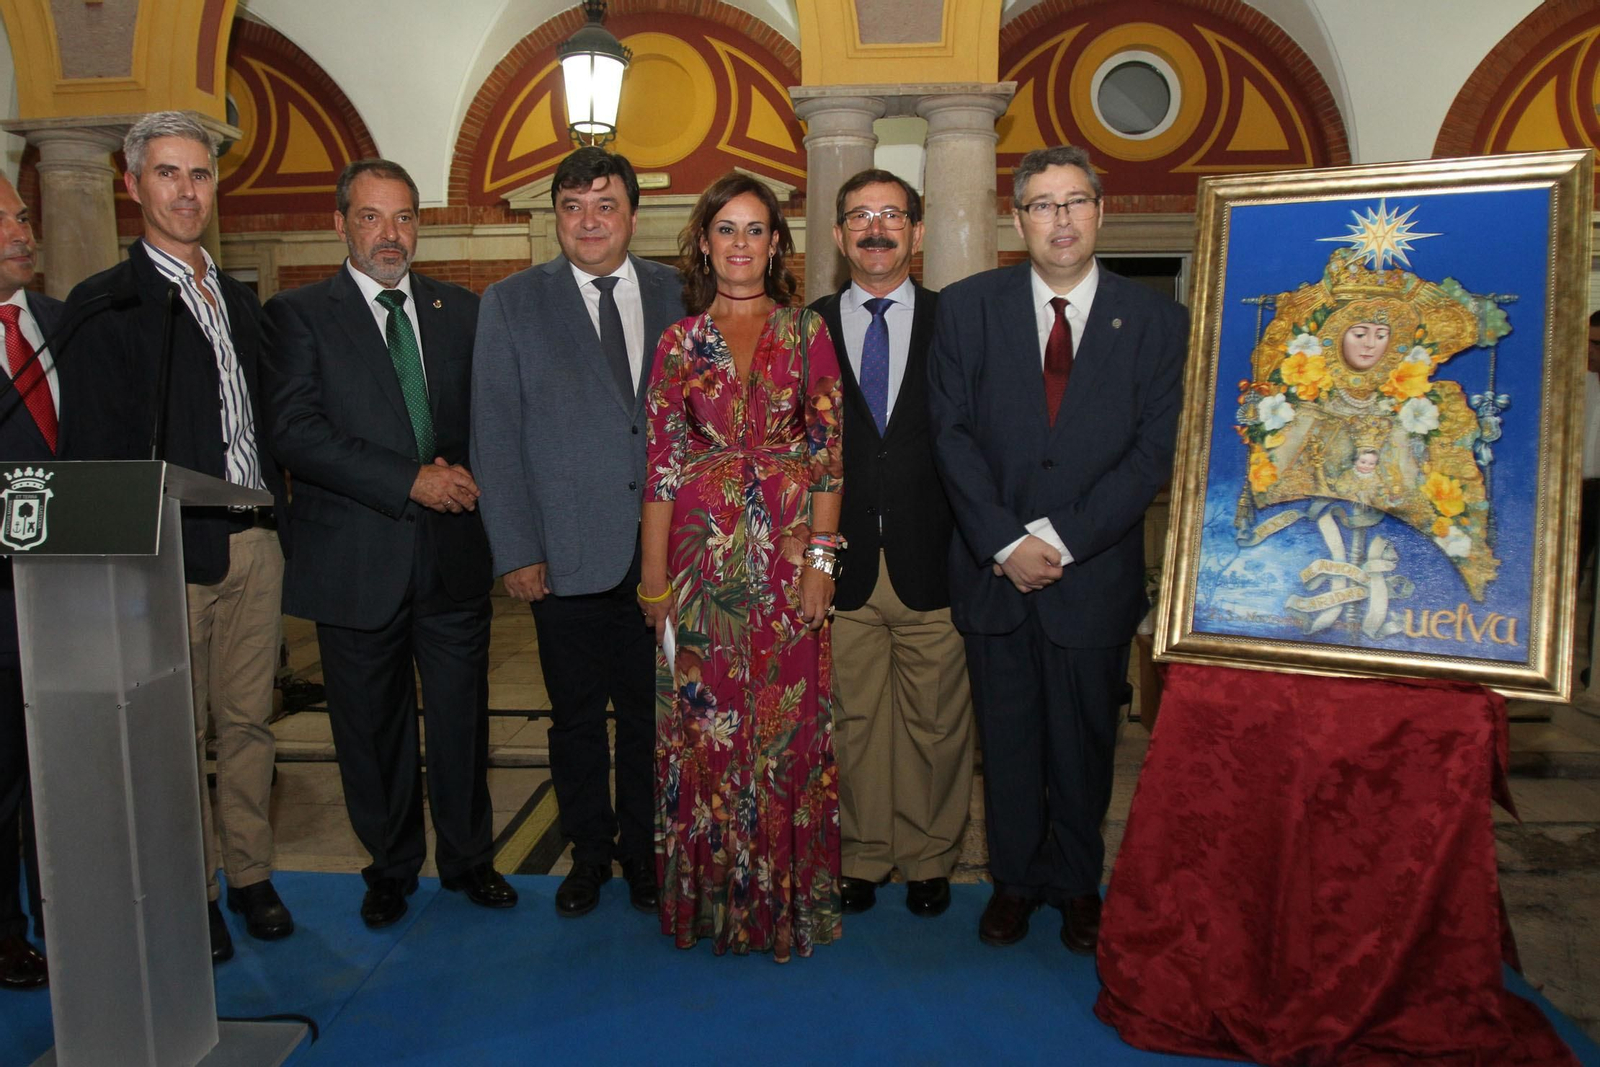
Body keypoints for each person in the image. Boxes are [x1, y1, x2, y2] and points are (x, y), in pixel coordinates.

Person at [927, 145, 1186, 953]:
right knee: (1004, 741)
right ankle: (1012, 883)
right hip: (994, 572)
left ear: (1101, 213)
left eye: (1074, 202)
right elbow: (951, 433)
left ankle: (1076, 884)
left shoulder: (1157, 321)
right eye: (1042, 204)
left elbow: (1154, 450)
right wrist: (1005, 539)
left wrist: (1060, 538)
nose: (1060, 219)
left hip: (1092, 575)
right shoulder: (968, 308)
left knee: (1085, 742)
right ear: (1018, 220)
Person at [65, 112, 291, 963]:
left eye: (200, 174)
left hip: (254, 537)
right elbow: (97, 448)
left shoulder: (235, 296)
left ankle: (251, 872)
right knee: (176, 730)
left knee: (250, 721)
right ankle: (192, 888)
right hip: (171, 549)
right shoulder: (109, 305)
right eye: (168, 174)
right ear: (133, 186)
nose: (188, 190)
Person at [264, 159, 514, 928]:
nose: (389, 234)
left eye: (403, 217)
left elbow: (490, 420)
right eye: (371, 217)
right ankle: (391, 865)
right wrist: (410, 479)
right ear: (341, 224)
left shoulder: (460, 311)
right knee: (370, 731)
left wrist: (468, 468)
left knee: (462, 718)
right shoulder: (298, 315)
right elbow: (296, 431)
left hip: (452, 557)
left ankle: (470, 859)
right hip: (353, 561)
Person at [471, 148, 683, 917]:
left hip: (662, 555)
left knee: (651, 718)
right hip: (562, 555)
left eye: (604, 205)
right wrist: (517, 549)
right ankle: (590, 855)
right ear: (555, 216)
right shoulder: (511, 302)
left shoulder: (676, 291)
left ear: (632, 214)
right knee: (575, 719)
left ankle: (644, 853)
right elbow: (494, 433)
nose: (588, 221)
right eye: (572, 206)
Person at [639, 172, 845, 961]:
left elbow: (829, 457)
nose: (740, 244)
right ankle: (717, 902)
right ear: (703, 243)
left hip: (791, 558)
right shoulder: (676, 343)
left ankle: (785, 905)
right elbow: (660, 466)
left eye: (755, 229)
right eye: (726, 228)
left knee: (786, 730)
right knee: (704, 730)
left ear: (776, 245)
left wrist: (822, 558)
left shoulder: (807, 333)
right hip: (700, 569)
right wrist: (653, 581)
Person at [809, 169, 971, 918]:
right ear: (840, 235)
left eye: (891, 215)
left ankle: (931, 853)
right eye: (859, 217)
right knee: (856, 719)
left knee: (938, 721)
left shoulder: (959, 322)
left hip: (934, 558)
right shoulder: (803, 328)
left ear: (918, 231)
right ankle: (865, 853)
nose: (876, 228)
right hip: (839, 565)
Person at [0, 173, 60, 988]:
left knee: (59, 773)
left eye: (19, 212)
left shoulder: (57, 322)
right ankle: (5, 932)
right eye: (6, 217)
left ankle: (68, 911)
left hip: (68, 593)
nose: (23, 227)